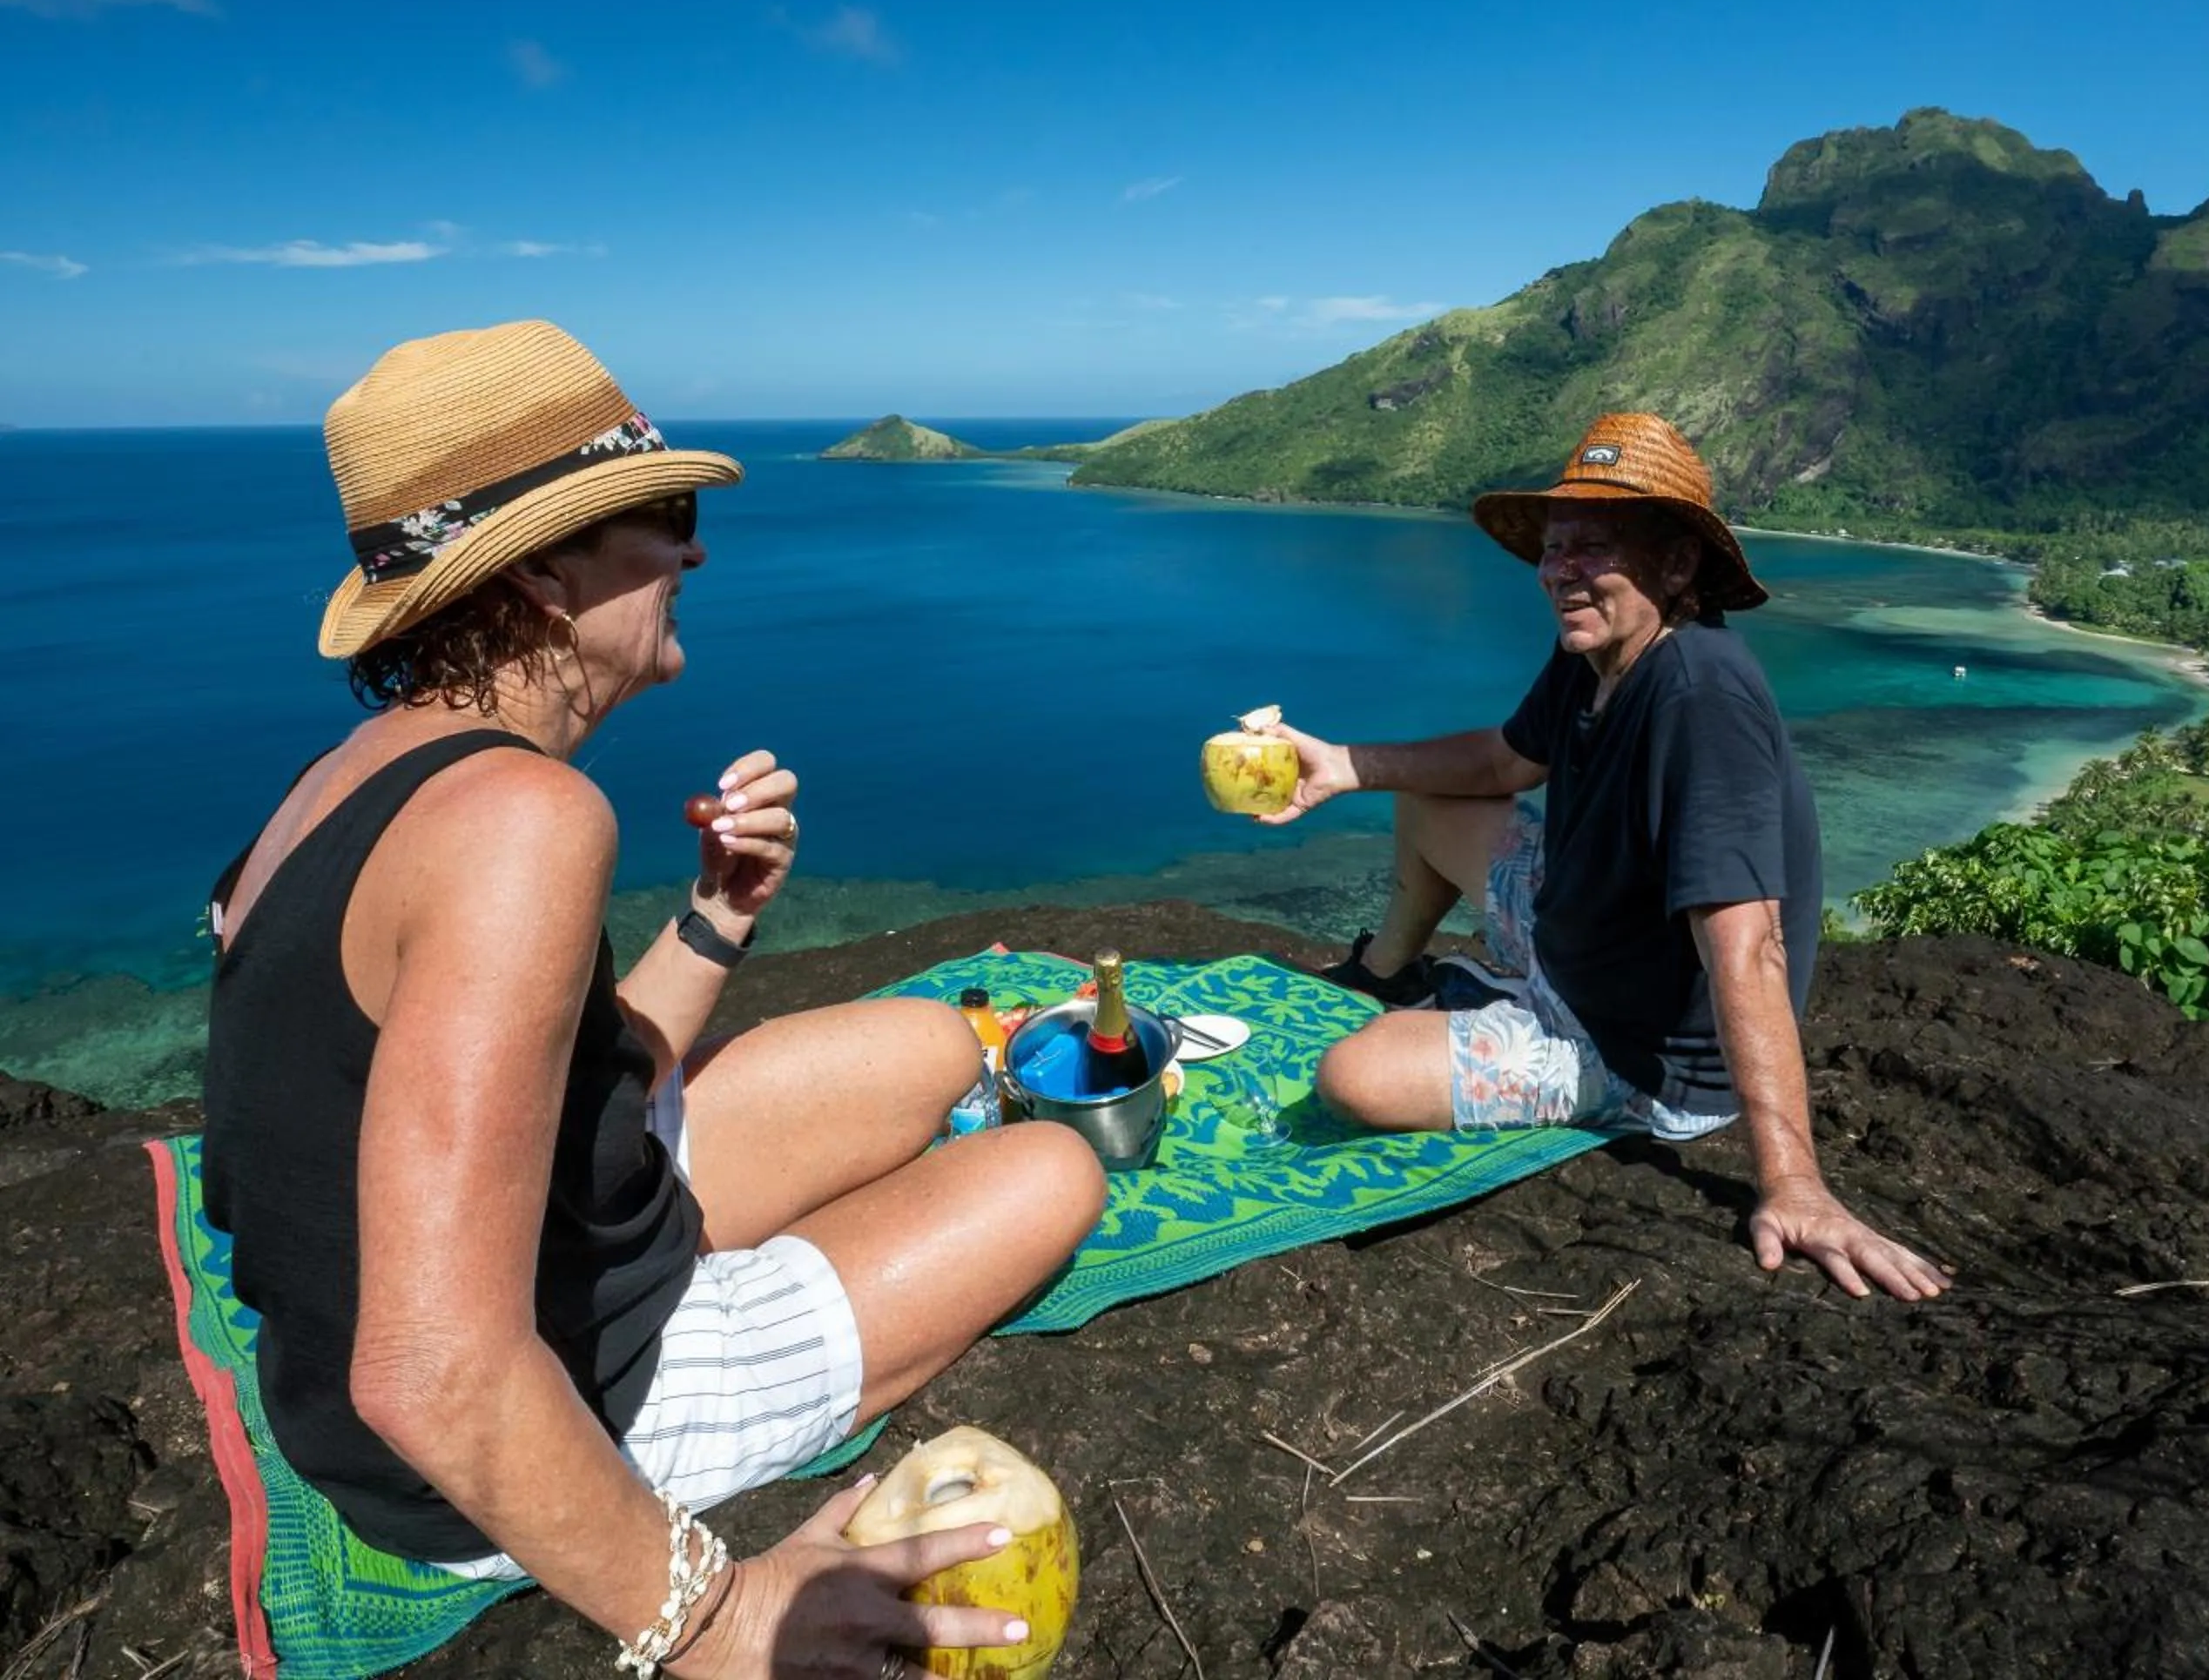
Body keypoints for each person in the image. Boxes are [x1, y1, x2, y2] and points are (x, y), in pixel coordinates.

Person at [200, 321, 1109, 1679]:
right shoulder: (524, 819)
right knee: (1046, 1172)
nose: (693, 553)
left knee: (930, 1044)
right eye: (662, 518)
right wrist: (718, 1614)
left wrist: (721, 913)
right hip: (504, 1436)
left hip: (488, 1291)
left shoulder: (353, 778)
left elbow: (567, 1075)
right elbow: (433, 1372)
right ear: (544, 571)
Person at [1266, 413, 1947, 1303]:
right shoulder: (1596, 649)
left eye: (1596, 548)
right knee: (1431, 798)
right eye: (1555, 548)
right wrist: (1346, 765)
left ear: (1676, 565)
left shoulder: (1702, 700)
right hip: (1577, 931)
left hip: (1633, 1048)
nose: (1561, 572)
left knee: (1351, 1076)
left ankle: (1499, 1008)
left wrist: (1793, 1183)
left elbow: (1749, 944)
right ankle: (1387, 967)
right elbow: (1505, 763)